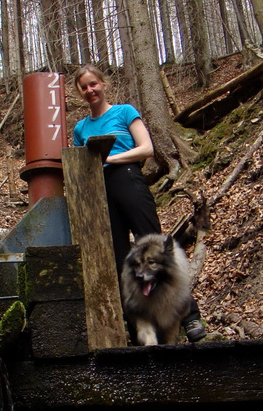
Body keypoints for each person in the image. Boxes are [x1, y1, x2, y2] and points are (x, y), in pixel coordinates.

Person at [72, 65, 205, 342]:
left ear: (104, 84)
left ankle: (189, 317)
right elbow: (80, 164)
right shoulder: (80, 128)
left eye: (93, 84)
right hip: (100, 191)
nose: (90, 90)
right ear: (79, 92)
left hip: (129, 179)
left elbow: (147, 149)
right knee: (122, 258)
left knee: (155, 246)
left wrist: (108, 158)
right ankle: (140, 328)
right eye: (84, 87)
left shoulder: (124, 112)